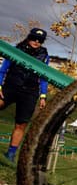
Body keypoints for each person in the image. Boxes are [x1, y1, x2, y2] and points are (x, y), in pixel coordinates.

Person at [1, 28, 50, 163]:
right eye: (34, 38)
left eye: (40, 40)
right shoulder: (16, 50)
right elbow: (3, 69)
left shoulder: (44, 56)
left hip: (30, 91)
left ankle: (11, 154)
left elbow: (44, 77)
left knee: (21, 124)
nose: (36, 41)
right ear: (29, 37)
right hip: (11, 86)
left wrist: (43, 95)